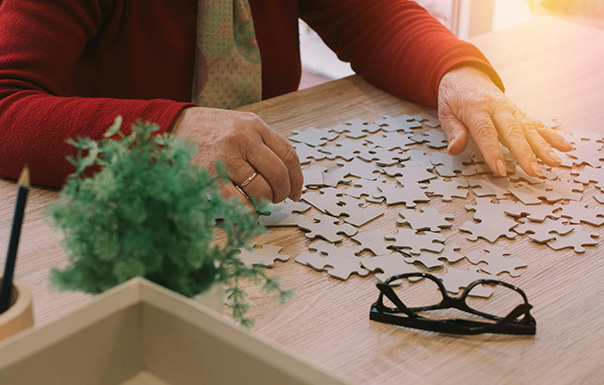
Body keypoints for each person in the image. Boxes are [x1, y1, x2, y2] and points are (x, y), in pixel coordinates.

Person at [0, 0, 572, 205]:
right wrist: (169, 132)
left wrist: (459, 74)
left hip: (269, 208)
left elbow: (371, 15)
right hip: (122, 222)